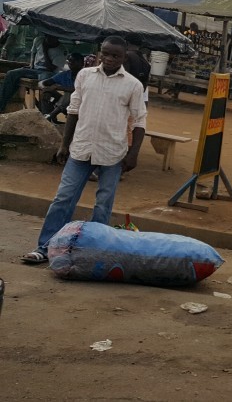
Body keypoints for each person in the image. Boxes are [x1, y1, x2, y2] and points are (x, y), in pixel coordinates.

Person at [21, 36, 147, 264]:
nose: (109, 58)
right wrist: (64, 144)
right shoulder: (84, 76)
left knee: (103, 205)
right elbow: (73, 111)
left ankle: (91, 253)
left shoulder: (133, 85)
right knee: (63, 199)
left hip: (112, 154)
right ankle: (45, 247)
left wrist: (133, 153)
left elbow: (139, 122)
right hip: (81, 148)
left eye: (115, 55)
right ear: (100, 52)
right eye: (105, 53)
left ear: (123, 57)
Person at [0, 34, 66, 112]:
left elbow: (51, 68)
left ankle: (47, 111)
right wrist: (31, 64)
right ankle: (1, 105)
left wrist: (45, 50)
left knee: (44, 84)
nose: (50, 40)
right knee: (11, 74)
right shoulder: (38, 40)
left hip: (49, 73)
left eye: (52, 38)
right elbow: (33, 52)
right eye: (48, 37)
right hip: (35, 70)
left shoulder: (61, 50)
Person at [38, 52, 85, 122]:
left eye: (74, 61)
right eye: (69, 60)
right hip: (65, 105)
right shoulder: (65, 74)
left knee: (70, 94)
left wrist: (58, 87)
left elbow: (79, 90)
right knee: (47, 94)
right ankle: (48, 119)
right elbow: (44, 83)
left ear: (82, 63)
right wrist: (47, 89)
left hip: (80, 105)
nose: (71, 63)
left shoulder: (86, 75)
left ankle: (50, 115)